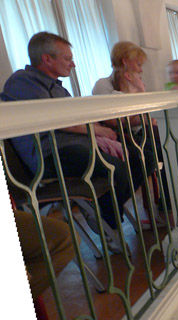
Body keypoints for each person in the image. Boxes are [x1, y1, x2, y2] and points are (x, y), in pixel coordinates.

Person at [2, 32, 141, 252]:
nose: (73, 64)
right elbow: (55, 120)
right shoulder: (22, 81)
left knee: (135, 157)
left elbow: (74, 119)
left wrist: (99, 131)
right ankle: (109, 227)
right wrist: (97, 130)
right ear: (47, 59)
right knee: (114, 167)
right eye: (67, 59)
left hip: (71, 147)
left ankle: (104, 214)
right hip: (50, 155)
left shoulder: (57, 87)